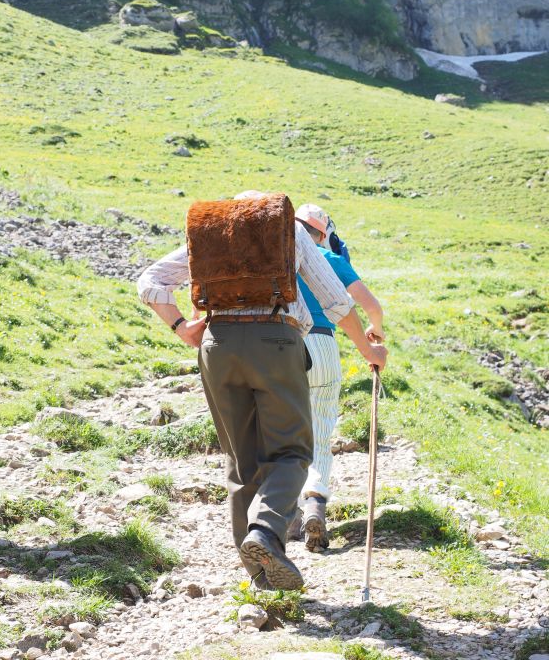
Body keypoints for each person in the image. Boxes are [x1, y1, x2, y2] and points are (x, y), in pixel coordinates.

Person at [137, 192, 387, 591]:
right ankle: (268, 531)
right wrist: (368, 348)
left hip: (217, 345)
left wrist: (181, 326)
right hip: (276, 340)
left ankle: (260, 581)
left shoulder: (212, 233)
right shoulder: (285, 229)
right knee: (292, 451)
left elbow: (149, 281)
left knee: (240, 463)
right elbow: (334, 299)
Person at [291, 203, 385, 551]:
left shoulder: (279, 256)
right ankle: (315, 501)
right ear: (324, 234)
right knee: (320, 429)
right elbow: (370, 305)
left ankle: (285, 517)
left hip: (282, 346)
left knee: (282, 429)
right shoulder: (330, 259)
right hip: (323, 343)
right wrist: (376, 330)